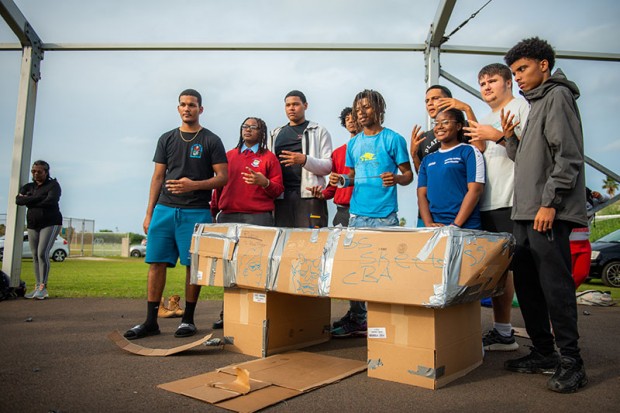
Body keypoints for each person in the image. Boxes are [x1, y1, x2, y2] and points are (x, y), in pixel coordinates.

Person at [502, 37, 588, 393]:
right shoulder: (536, 104)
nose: (518, 77)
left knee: (556, 288)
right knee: (527, 286)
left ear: (543, 65)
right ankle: (543, 352)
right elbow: (527, 161)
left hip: (548, 212)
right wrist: (510, 139)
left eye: (522, 69)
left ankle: (572, 362)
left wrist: (550, 203)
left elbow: (567, 156)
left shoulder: (558, 96)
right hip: (526, 213)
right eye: (514, 72)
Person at [124, 89, 228, 340]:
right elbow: (157, 177)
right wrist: (149, 213)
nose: (187, 108)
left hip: (196, 211)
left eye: (192, 105)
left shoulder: (211, 140)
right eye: (183, 104)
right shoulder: (167, 138)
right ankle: (151, 321)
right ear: (178, 108)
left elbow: (223, 177)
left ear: (200, 109)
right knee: (156, 262)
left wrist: (193, 185)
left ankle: (188, 320)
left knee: (192, 266)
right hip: (164, 209)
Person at [329, 89, 413, 337]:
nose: (361, 113)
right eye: (358, 109)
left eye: (366, 107)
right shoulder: (353, 144)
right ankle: (358, 319)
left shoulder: (393, 139)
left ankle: (386, 322)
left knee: (385, 271)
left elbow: (408, 175)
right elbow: (352, 177)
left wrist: (396, 178)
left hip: (385, 216)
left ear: (379, 109)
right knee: (356, 271)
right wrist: (340, 179)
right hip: (357, 216)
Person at [463, 63, 530, 352]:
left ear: (508, 82)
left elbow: (532, 153)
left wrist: (498, 136)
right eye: (482, 83)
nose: (487, 87)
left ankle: (547, 339)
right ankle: (503, 333)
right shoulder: (487, 117)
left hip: (513, 202)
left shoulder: (522, 108)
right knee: (499, 274)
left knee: (526, 273)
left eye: (492, 81)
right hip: (488, 204)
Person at [209, 116, 284, 329]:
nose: (248, 130)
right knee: (229, 269)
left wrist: (265, 182)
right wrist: (214, 212)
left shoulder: (269, 158)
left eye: (253, 127)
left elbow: (278, 189)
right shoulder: (229, 156)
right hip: (228, 216)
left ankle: (257, 314)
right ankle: (228, 314)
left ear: (262, 133)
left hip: (258, 218)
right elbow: (218, 187)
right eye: (245, 126)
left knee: (257, 268)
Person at [410, 85, 479, 227]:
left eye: (435, 98)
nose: (430, 103)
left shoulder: (462, 126)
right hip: (429, 214)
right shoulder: (423, 137)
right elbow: (424, 176)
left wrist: (466, 109)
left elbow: (479, 147)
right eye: (427, 101)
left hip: (459, 215)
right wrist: (414, 155)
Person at [269, 90, 333, 228]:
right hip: (281, 198)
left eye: (296, 104)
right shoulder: (276, 134)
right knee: (283, 239)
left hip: (310, 196)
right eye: (288, 105)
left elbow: (328, 166)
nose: (291, 108)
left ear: (305, 105)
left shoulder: (318, 130)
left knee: (313, 239)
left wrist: (304, 160)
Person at [417, 108, 485, 229]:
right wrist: (428, 224)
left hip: (465, 228)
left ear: (458, 126)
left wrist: (455, 225)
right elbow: (421, 194)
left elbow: (476, 190)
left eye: (445, 122)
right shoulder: (427, 159)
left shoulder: (469, 151)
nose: (439, 127)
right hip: (436, 228)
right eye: (436, 123)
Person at [16, 160, 62, 300]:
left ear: (46, 172)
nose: (36, 174)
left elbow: (51, 201)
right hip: (32, 224)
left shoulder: (53, 185)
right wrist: (38, 198)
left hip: (51, 223)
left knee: (42, 253)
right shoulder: (29, 187)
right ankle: (37, 287)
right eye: (33, 171)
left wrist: (29, 199)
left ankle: (43, 287)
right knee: (35, 255)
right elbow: (19, 200)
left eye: (39, 171)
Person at [307, 107, 358, 226]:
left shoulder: (371, 150)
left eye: (354, 117)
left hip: (366, 210)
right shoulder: (337, 153)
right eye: (347, 119)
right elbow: (333, 186)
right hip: (342, 211)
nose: (351, 121)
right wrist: (322, 194)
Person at [570, 188, 609, 288]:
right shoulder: (569, 202)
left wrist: (599, 196)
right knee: (565, 273)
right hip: (568, 242)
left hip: (584, 242)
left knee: (582, 274)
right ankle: (563, 294)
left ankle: (567, 292)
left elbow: (607, 199)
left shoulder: (591, 203)